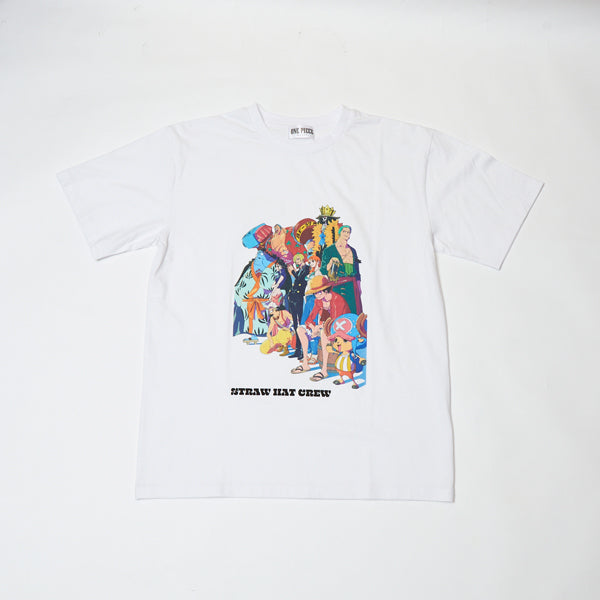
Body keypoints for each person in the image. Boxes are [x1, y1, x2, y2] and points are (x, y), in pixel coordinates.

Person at [290, 275, 350, 382]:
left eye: (319, 292)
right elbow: (310, 319)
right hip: (326, 327)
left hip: (342, 329)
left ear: (326, 290)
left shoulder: (337, 300)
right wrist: (313, 327)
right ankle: (305, 364)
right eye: (315, 292)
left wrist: (318, 328)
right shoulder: (319, 301)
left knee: (323, 333)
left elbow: (335, 321)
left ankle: (324, 370)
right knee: (300, 330)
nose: (316, 295)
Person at [320, 224, 362, 314]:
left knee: (353, 311)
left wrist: (359, 286)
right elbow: (323, 270)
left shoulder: (353, 250)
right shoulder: (329, 250)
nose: (346, 234)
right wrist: (331, 262)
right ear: (339, 233)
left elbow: (357, 271)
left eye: (348, 232)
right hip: (336, 286)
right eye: (344, 231)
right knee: (338, 312)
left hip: (351, 286)